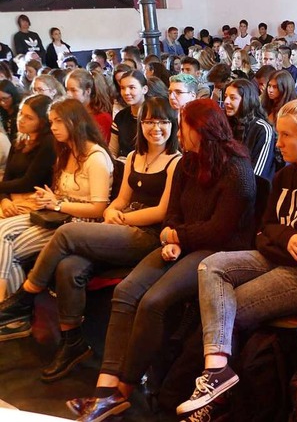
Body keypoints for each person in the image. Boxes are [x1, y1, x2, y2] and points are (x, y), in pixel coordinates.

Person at [66, 99, 256, 421]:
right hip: (182, 243)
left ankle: (122, 392)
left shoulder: (236, 169)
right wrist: (171, 234)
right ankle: (104, 390)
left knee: (153, 301)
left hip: (218, 254)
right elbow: (173, 213)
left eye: (183, 126)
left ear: (202, 130)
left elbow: (220, 230)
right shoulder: (187, 164)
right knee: (125, 292)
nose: (178, 133)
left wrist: (177, 237)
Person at [177, 97, 297, 416]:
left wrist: (275, 240)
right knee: (212, 266)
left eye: (286, 135)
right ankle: (217, 373)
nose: (278, 142)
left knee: (224, 309)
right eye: (278, 133)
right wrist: (286, 238)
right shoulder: (287, 175)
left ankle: (214, 400)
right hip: (279, 259)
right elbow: (265, 229)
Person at [0, 98, 180, 374]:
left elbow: (161, 212)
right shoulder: (134, 157)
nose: (156, 128)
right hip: (119, 226)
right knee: (69, 266)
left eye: (163, 122)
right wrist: (112, 214)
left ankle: (25, 296)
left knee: (67, 231)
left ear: (173, 125)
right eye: (149, 122)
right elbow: (119, 200)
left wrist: (121, 217)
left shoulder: (175, 161)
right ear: (141, 124)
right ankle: (72, 341)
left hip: (148, 236)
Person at [0, 97, 113, 330]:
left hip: (79, 223)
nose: (53, 128)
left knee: (8, 246)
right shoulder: (66, 151)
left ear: (75, 122)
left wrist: (58, 204)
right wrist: (49, 198)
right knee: (3, 232)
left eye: (58, 122)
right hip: (56, 215)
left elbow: (98, 209)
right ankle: (12, 313)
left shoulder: (96, 157)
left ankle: (13, 312)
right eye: (51, 122)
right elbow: (61, 193)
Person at [0, 94, 55, 229]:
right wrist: (4, 199)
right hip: (12, 195)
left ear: (42, 122)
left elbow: (29, 182)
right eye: (20, 113)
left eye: (29, 118)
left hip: (34, 198)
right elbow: (7, 177)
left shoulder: (48, 143)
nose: (21, 120)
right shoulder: (20, 139)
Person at [224, 79, 276, 180]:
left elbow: (257, 175)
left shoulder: (262, 129)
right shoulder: (225, 123)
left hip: (248, 189)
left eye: (233, 98)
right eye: (225, 96)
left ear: (246, 100)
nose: (226, 102)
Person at [65, 69, 113, 143]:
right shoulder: (70, 114)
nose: (68, 94)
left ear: (87, 91)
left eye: (73, 90)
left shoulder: (102, 118)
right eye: (67, 90)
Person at [110, 70, 148, 159]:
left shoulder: (155, 115)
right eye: (122, 88)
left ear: (144, 89)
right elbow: (112, 151)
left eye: (132, 87)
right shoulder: (121, 117)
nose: (126, 92)